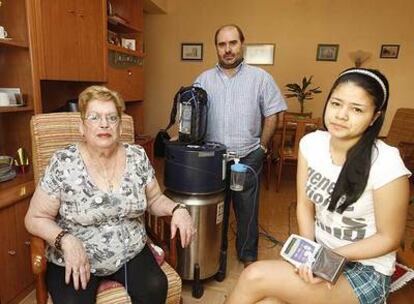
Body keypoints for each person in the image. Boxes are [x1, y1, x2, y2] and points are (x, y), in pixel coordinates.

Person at [225, 68, 411, 304]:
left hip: (365, 270)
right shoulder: (311, 144)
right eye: (336, 103)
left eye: (356, 109)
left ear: (375, 116)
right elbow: (304, 205)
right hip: (322, 254)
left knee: (254, 276)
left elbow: (390, 238)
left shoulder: (386, 162)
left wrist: (327, 257)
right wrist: (310, 252)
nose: (341, 115)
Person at [25, 86, 196, 304]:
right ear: (82, 127)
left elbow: (154, 199)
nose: (104, 124)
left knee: (155, 287)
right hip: (76, 254)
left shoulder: (136, 156)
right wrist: (66, 241)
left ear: (119, 125)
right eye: (94, 117)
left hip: (130, 251)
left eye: (111, 117)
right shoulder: (63, 163)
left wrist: (177, 209)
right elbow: (34, 218)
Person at [194, 24, 287, 268]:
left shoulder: (261, 79)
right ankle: (216, 253)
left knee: (247, 211)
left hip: (247, 157)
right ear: (216, 47)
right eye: (222, 44)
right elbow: (193, 116)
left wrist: (263, 149)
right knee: (214, 211)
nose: (228, 50)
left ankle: (248, 257)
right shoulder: (203, 80)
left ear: (241, 44)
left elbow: (273, 115)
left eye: (232, 43)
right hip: (212, 159)